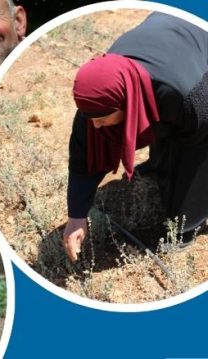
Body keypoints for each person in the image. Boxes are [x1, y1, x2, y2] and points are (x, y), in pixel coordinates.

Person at [62, 12, 208, 263]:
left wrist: (185, 218)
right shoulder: (97, 101)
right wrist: (76, 216)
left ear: (127, 102)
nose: (96, 126)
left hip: (195, 39)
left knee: (189, 147)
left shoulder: (188, 97)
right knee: (165, 151)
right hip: (162, 31)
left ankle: (189, 227)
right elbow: (82, 160)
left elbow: (199, 153)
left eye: (103, 119)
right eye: (92, 119)